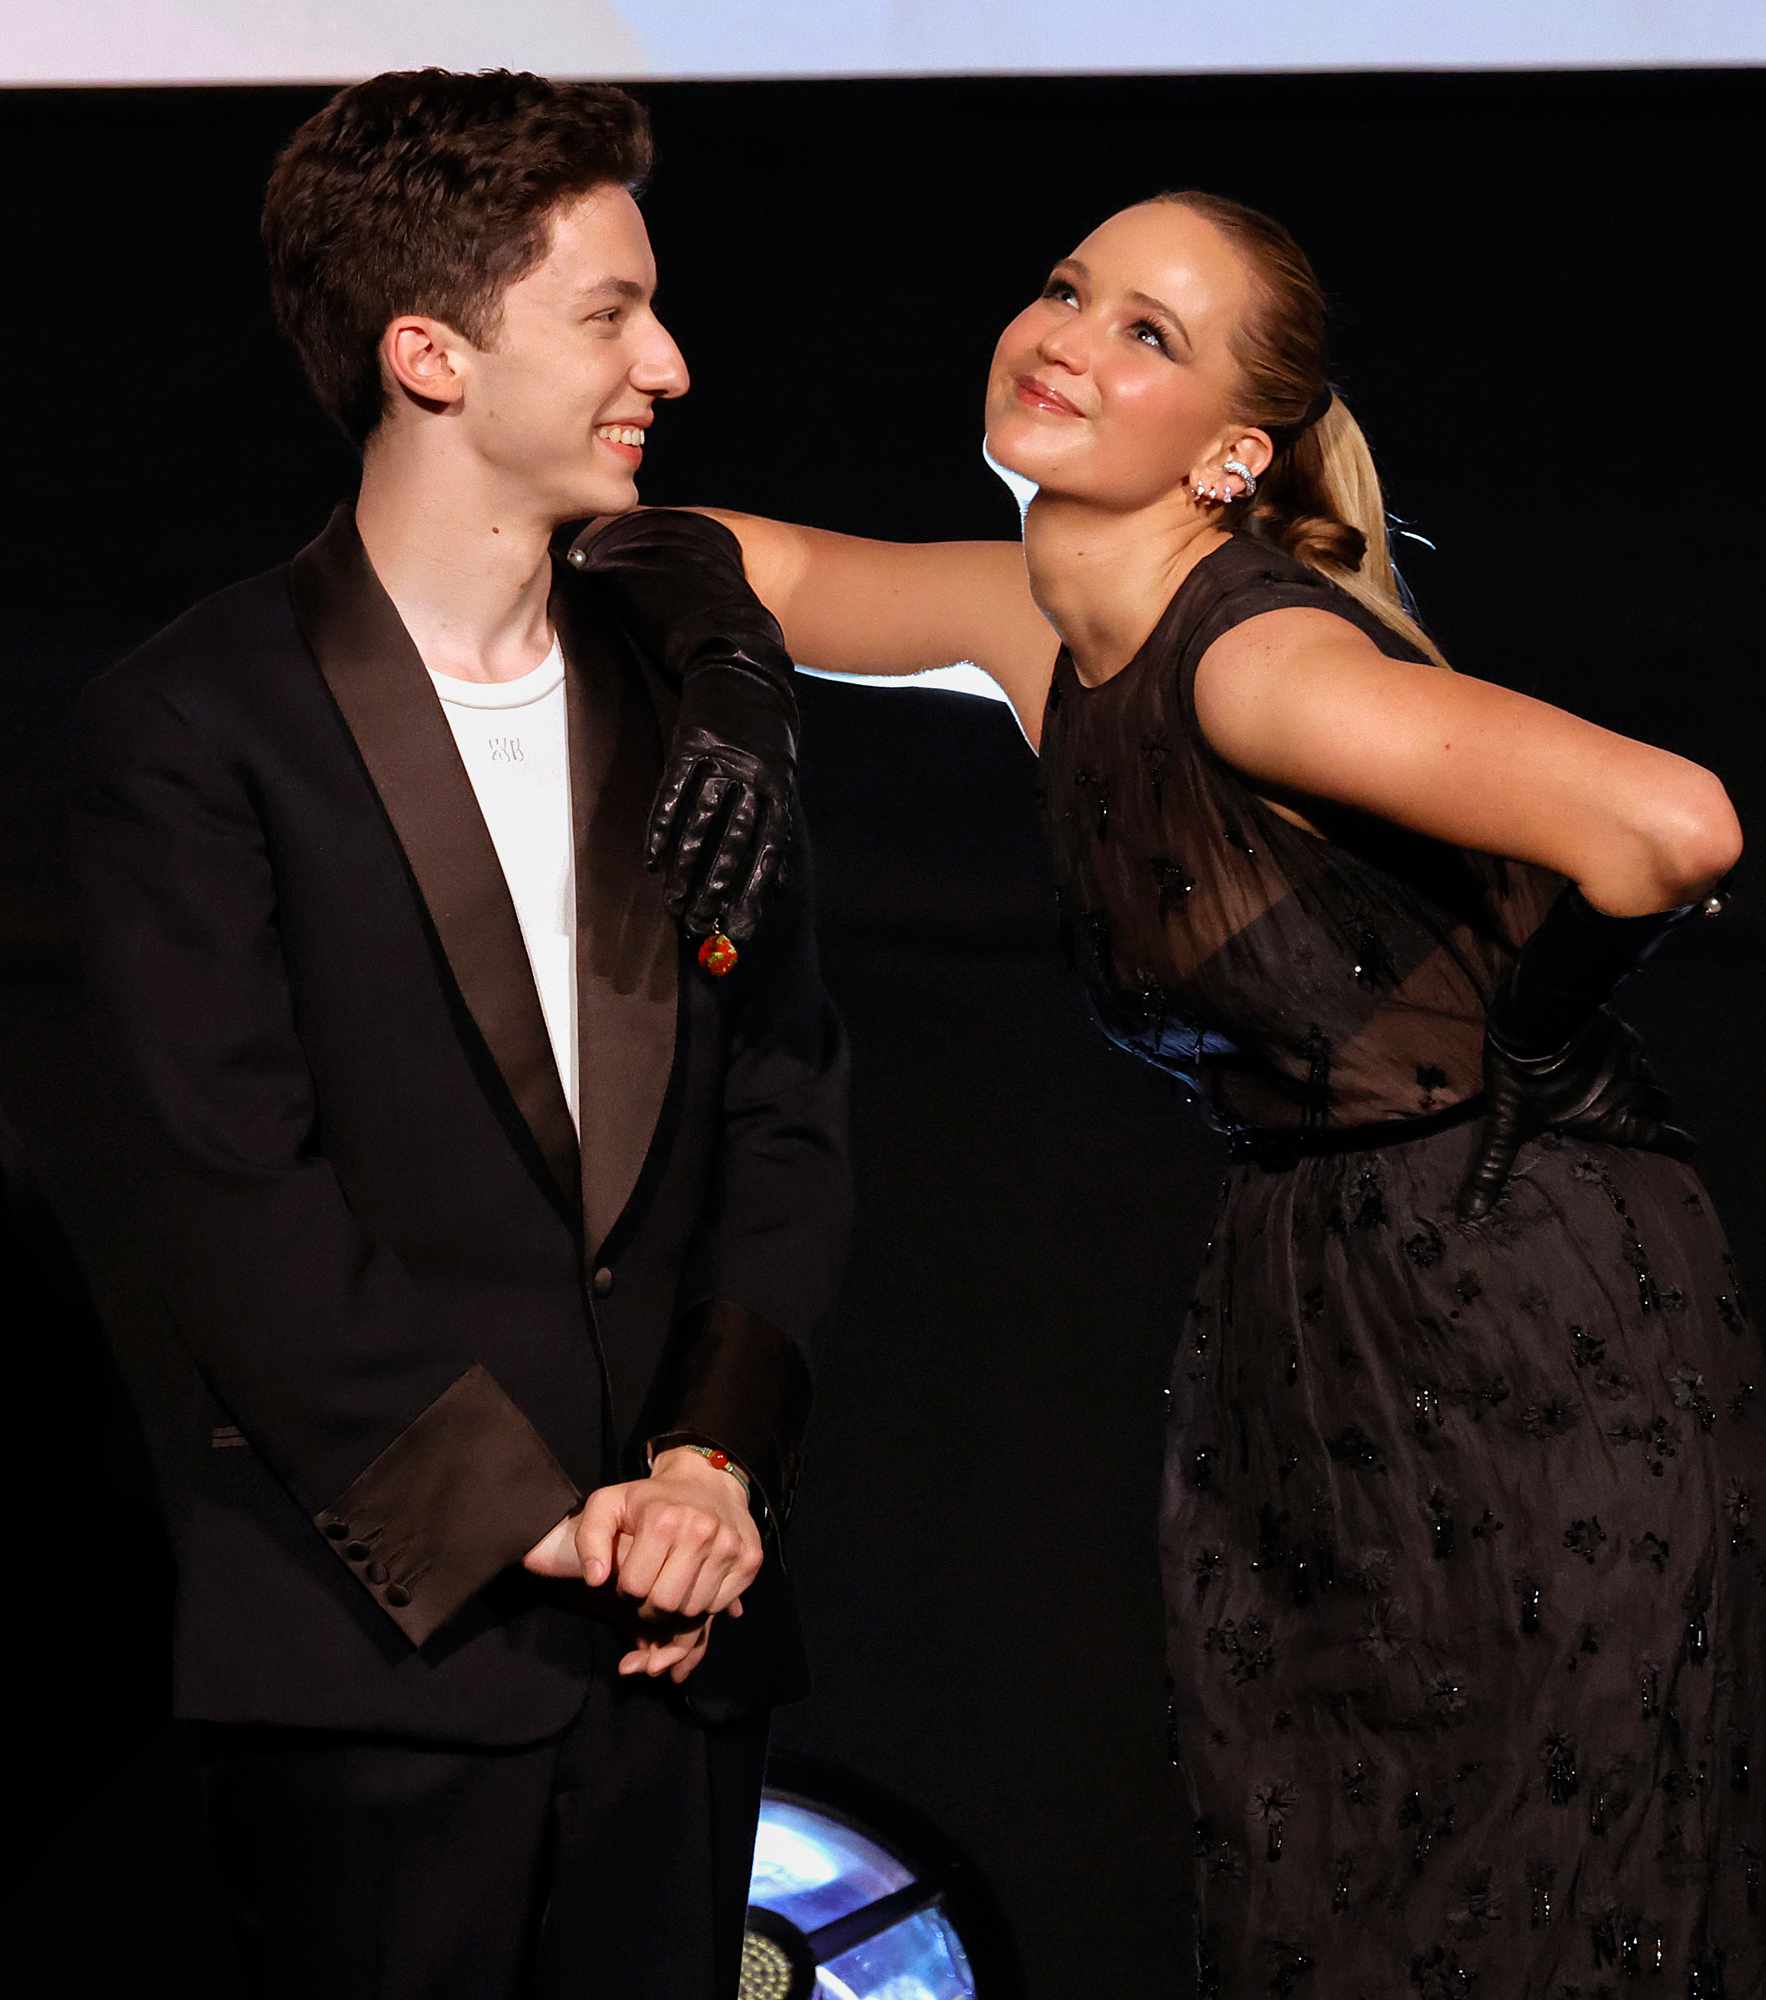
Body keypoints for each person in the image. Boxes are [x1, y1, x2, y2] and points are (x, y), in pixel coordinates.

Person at [583, 192, 1758, 1993]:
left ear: (1231, 452)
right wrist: (727, 673)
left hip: (1521, 1298)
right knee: (1326, 1867)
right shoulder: (1038, 612)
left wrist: (1534, 1033)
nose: (1067, 334)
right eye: (1067, 288)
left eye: (1149, 332)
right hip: (1318, 1289)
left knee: (1511, 1883)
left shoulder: (1252, 661)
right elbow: (725, 553)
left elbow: (1674, 828)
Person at [43, 69, 849, 1999]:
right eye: (605, 311)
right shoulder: (192, 729)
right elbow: (231, 1191)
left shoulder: (700, 711)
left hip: (677, 1656)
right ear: (429, 352)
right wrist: (544, 1526)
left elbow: (789, 1109)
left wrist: (707, 1477)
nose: (665, 356)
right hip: (375, 1670)